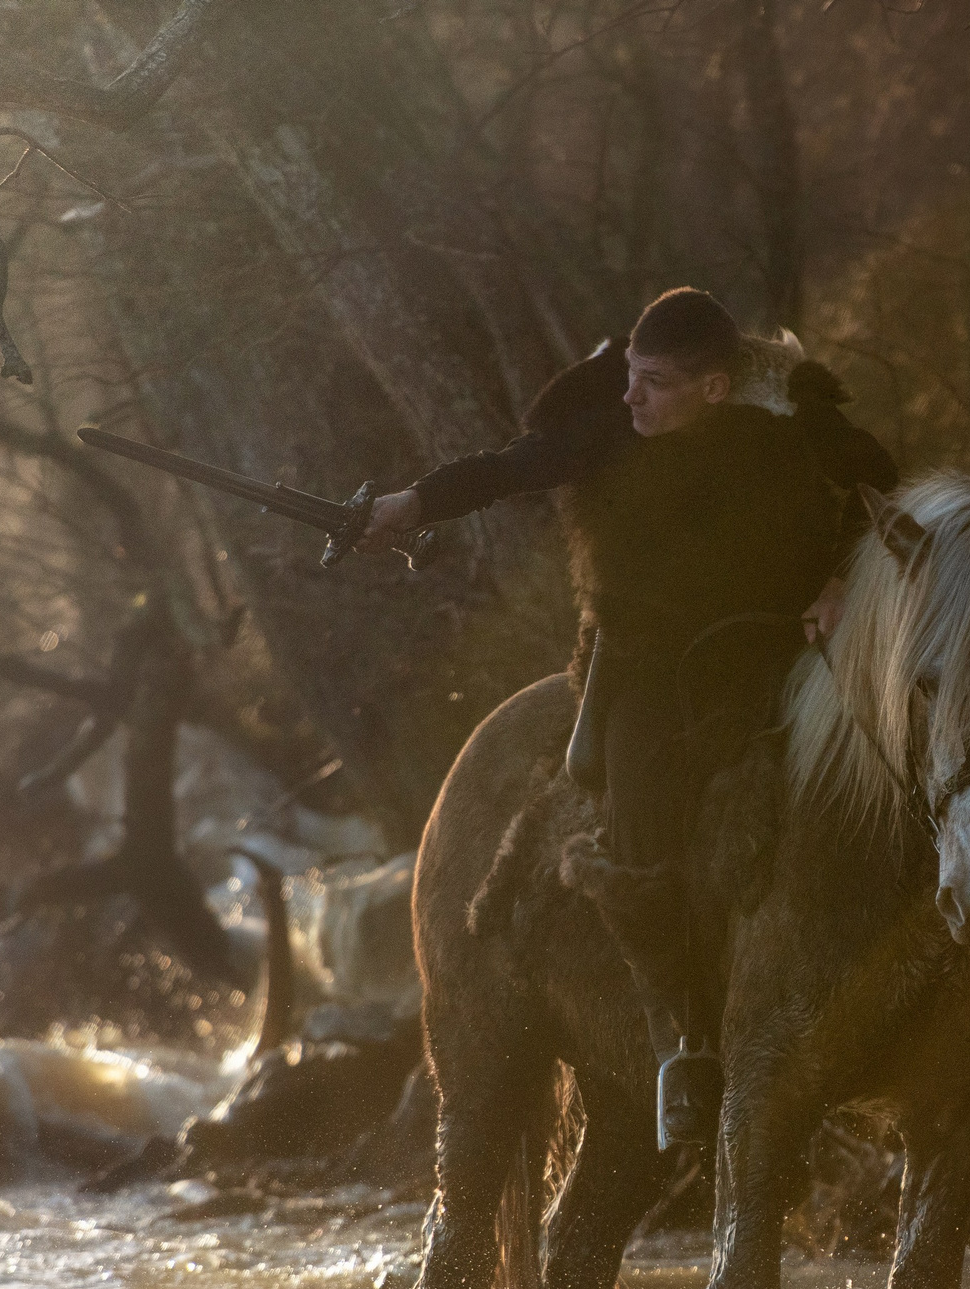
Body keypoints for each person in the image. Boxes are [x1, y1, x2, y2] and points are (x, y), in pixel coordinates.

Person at [363, 288, 897, 1146]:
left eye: (652, 383)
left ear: (715, 389)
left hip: (770, 658)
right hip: (642, 673)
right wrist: (408, 506)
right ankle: (684, 1040)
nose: (630, 398)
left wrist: (841, 574)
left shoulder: (784, 433)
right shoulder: (608, 438)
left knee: (881, 766)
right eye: (629, 378)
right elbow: (508, 468)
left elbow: (882, 481)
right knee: (641, 826)